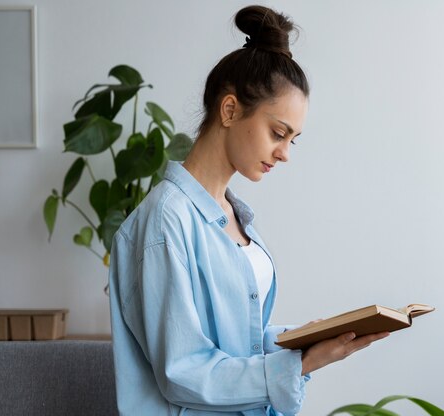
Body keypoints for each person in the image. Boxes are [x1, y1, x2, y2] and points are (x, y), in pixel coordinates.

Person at [108, 5, 389, 416]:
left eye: (293, 140)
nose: (285, 153)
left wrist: (301, 339)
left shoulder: (237, 217)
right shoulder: (166, 222)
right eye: (278, 133)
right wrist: (302, 362)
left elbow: (235, 341)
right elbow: (183, 372)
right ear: (229, 110)